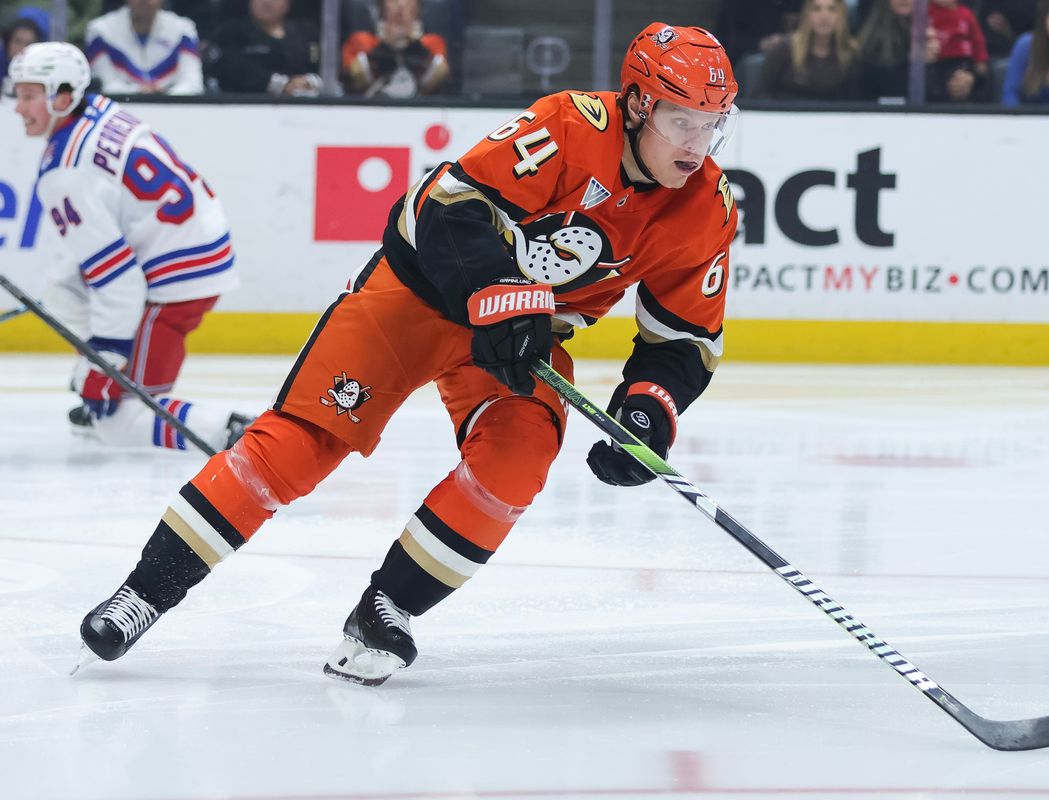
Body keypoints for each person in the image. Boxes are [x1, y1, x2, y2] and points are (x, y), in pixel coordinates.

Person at [72, 22, 741, 686]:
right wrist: (498, 293)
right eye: (684, 121)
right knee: (300, 443)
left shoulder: (707, 209)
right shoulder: (569, 127)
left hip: (516, 346)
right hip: (416, 297)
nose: (698, 144)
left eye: (713, 124)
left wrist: (648, 412)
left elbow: (684, 339)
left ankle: (387, 608)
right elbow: (449, 202)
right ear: (638, 105)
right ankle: (143, 595)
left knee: (519, 459)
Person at [8, 42, 250, 452]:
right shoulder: (96, 109)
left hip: (177, 279)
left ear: (63, 96)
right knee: (61, 286)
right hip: (195, 244)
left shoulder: (64, 174)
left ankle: (236, 430)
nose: (19, 108)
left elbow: (118, 279)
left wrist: (110, 356)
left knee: (120, 424)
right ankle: (102, 377)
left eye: (30, 96)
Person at [85, 0, 204, 95]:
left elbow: (193, 83)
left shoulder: (183, 30)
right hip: (122, 110)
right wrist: (137, 92)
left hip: (173, 109)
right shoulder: (101, 31)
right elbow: (105, 85)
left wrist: (166, 96)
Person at [207, 0, 321, 95]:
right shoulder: (230, 33)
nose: (266, 2)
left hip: (304, 105)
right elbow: (229, 66)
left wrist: (309, 81)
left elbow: (321, 65)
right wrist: (279, 84)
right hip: (245, 104)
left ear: (287, 4)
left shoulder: (308, 33)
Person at [341, 0, 449, 98]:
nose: (400, 5)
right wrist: (386, 46)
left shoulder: (432, 44)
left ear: (418, 7)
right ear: (382, 6)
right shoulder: (361, 42)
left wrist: (413, 46)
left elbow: (436, 79)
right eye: (393, 0)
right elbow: (353, 81)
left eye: (408, 1)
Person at [757, 0, 860, 99]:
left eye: (832, 9)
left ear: (841, 15)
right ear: (807, 14)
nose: (824, 16)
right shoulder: (785, 49)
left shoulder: (851, 55)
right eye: (816, 9)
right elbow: (762, 93)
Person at [856, 0, 941, 100]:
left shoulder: (934, 32)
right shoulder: (872, 39)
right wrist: (914, 64)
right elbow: (875, 91)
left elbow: (939, 97)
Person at [927, 0, 992, 101]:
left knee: (960, 83)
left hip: (960, 61)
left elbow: (977, 40)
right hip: (936, 62)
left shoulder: (966, 14)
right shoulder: (926, 13)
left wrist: (981, 60)